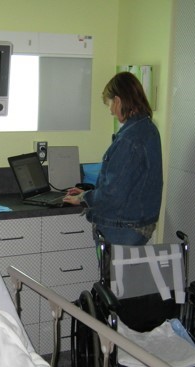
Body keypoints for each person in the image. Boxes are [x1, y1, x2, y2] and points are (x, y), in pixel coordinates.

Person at [64, 71, 162, 246]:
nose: (110, 110)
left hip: (122, 227)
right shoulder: (148, 128)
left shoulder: (129, 139)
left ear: (118, 100)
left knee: (113, 274)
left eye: (110, 104)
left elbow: (113, 194)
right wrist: (89, 194)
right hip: (138, 224)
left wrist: (85, 197)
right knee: (124, 274)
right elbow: (127, 184)